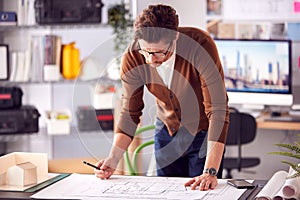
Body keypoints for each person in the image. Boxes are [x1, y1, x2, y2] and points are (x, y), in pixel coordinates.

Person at [94, 4, 229, 191]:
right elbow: (130, 112)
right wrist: (113, 158)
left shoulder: (200, 46)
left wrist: (211, 171)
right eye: (146, 51)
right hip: (166, 132)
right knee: (167, 193)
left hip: (205, 134)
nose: (150, 60)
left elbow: (218, 110)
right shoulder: (133, 56)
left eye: (158, 53)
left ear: (174, 38)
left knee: (202, 192)